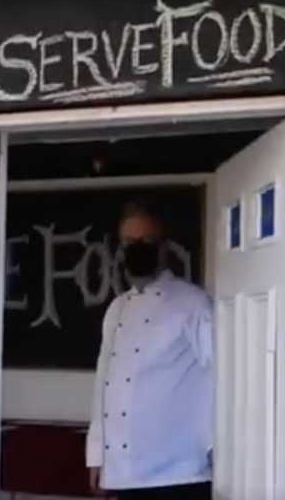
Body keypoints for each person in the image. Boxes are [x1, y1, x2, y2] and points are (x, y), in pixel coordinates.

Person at [86, 200, 214, 500]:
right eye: (130, 242)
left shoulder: (193, 304)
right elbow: (103, 385)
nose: (137, 248)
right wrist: (97, 456)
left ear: (163, 247)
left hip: (180, 471)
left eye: (146, 241)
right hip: (126, 474)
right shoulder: (116, 309)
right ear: (119, 248)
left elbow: (225, 378)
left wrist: (217, 447)